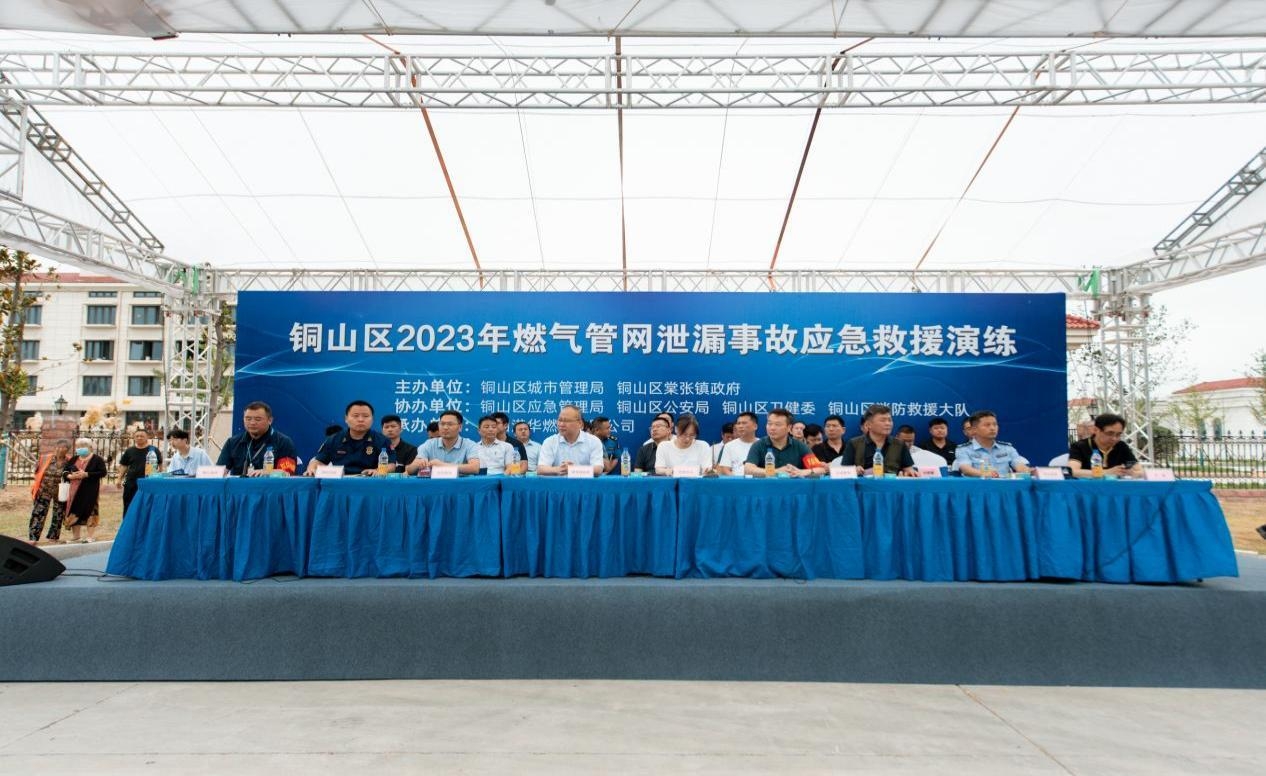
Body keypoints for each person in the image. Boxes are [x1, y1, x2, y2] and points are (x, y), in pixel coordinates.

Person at [305, 400, 393, 476]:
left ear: (372, 419)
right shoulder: (334, 439)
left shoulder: (382, 440)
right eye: (356, 416)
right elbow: (318, 461)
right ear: (346, 418)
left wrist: (378, 471)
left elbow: (391, 465)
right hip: (340, 482)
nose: (360, 420)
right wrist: (312, 468)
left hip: (370, 482)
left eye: (365, 416)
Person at [219, 401, 299, 476]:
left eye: (258, 419)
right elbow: (219, 472)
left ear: (270, 420)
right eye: (248, 419)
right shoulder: (232, 442)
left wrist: (268, 472)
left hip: (270, 486)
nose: (252, 423)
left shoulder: (283, 442)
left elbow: (287, 473)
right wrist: (220, 473)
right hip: (240, 486)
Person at [744, 409, 826, 478]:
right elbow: (748, 469)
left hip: (793, 489)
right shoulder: (759, 445)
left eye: (777, 424)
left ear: (789, 428)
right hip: (765, 489)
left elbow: (820, 470)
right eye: (769, 424)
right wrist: (776, 471)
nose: (772, 428)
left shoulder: (800, 446)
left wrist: (801, 472)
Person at [843, 404, 918, 477]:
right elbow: (844, 472)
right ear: (868, 425)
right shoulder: (854, 443)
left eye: (890, 420)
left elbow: (908, 469)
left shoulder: (900, 444)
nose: (888, 423)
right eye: (883, 420)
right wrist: (854, 470)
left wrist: (909, 473)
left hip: (892, 484)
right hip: (863, 484)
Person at [954, 410, 1030, 478]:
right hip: (978, 487)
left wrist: (1029, 471)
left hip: (1004, 487)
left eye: (995, 424)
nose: (992, 428)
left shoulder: (1007, 448)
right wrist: (986, 474)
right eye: (987, 425)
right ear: (974, 429)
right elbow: (966, 470)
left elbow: (1019, 466)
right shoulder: (963, 450)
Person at [408, 410, 481, 475]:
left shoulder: (469, 444)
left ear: (460, 427)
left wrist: (442, 465)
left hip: (460, 484)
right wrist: (418, 464)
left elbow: (475, 468)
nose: (445, 427)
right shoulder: (429, 444)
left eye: (450, 424)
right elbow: (409, 470)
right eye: (442, 424)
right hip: (434, 484)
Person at [537, 405, 603, 476]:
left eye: (566, 421)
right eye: (560, 420)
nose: (561, 424)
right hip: (558, 482)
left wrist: (574, 470)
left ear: (580, 423)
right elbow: (541, 469)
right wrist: (558, 469)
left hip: (584, 482)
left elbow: (598, 469)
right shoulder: (550, 441)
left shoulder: (593, 441)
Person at [1068, 412, 1139, 478]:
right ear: (1095, 430)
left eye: (1118, 434)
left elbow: (1140, 471)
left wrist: (1130, 473)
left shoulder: (1121, 446)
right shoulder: (1080, 446)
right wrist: (1106, 472)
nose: (1114, 438)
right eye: (1110, 433)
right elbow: (1072, 471)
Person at [63, 437, 107, 543]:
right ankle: (76, 537)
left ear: (90, 447)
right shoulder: (74, 459)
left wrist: (87, 474)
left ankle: (90, 536)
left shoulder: (97, 459)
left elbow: (103, 472)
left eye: (83, 446)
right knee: (74, 511)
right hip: (74, 491)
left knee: (90, 511)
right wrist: (70, 476)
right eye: (78, 446)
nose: (80, 448)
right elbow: (65, 471)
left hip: (90, 491)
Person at [28, 439, 71, 543]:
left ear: (67, 450)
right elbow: (37, 472)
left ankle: (53, 537)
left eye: (64, 447)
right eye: (58, 447)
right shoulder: (45, 458)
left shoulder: (70, 461)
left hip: (60, 492)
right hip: (44, 490)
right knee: (38, 514)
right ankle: (33, 538)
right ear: (55, 448)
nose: (60, 449)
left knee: (58, 514)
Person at [118, 429, 162, 516]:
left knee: (147, 505)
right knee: (129, 504)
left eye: (142, 436)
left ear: (147, 437)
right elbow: (123, 465)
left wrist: (159, 477)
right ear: (134, 437)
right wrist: (119, 478)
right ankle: (128, 522)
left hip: (148, 482)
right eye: (137, 436)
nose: (139, 438)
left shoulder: (153, 450)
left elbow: (160, 465)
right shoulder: (129, 451)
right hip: (131, 482)